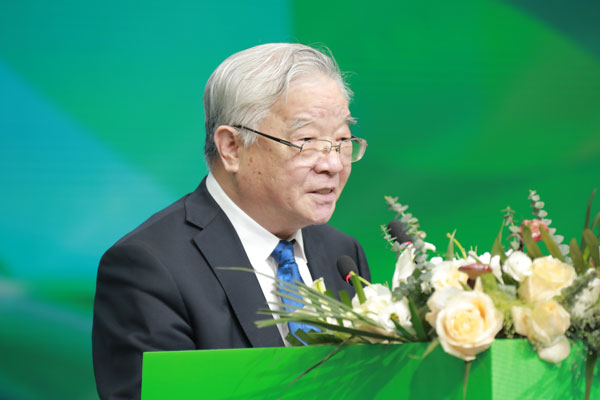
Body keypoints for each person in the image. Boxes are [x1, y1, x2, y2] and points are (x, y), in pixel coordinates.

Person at [92, 43, 370, 399]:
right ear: (232, 148)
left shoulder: (342, 254)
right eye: (307, 141)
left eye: (342, 140)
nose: (332, 164)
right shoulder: (149, 267)